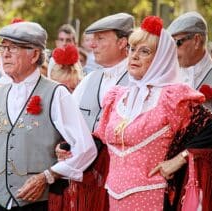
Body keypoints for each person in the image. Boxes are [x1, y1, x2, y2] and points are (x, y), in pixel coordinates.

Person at [93, 16, 212, 210]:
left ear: (160, 59)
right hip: (114, 198)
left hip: (153, 198)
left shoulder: (172, 98)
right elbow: (101, 141)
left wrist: (178, 160)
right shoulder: (117, 96)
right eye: (132, 49)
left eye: (145, 51)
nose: (134, 56)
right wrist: (68, 148)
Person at [0, 21, 97, 211]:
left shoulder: (57, 93)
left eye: (13, 47)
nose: (5, 53)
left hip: (37, 204)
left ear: (35, 54)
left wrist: (48, 175)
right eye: (3, 46)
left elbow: (86, 149)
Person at [51, 13, 134, 211]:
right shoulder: (89, 79)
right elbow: (67, 126)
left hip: (121, 185)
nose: (92, 45)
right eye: (93, 39)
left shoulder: (137, 82)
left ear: (123, 42)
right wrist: (61, 147)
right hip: (85, 184)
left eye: (100, 38)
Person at [167, 11, 212, 180]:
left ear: (197, 40)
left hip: (208, 176)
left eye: (177, 43)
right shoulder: (170, 78)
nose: (173, 51)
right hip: (171, 176)